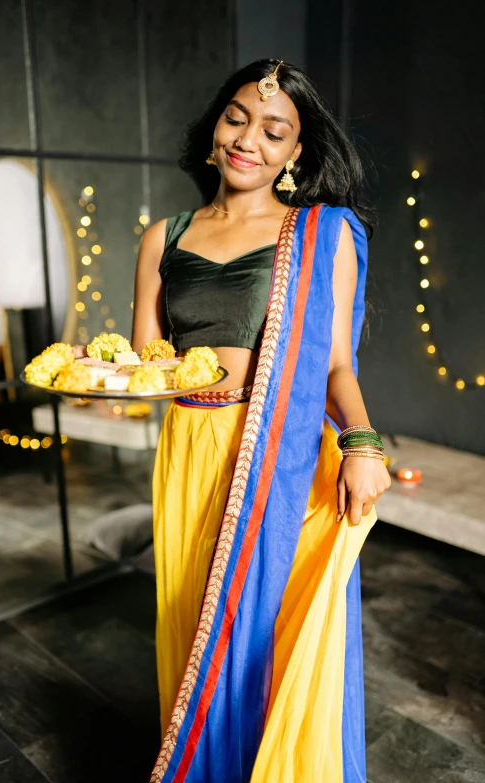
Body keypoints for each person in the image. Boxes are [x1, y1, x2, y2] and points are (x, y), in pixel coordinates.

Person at [131, 58, 391, 783]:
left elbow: (337, 362)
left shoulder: (319, 234)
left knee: (270, 637)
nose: (250, 139)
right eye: (237, 118)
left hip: (283, 455)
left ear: (295, 152)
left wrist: (364, 442)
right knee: (197, 631)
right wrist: (104, 377)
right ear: (215, 127)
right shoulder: (163, 237)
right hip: (188, 448)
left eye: (275, 130)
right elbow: (149, 361)